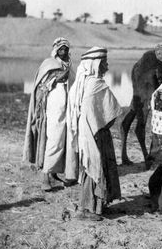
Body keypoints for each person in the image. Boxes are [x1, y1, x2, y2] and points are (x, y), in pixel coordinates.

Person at [67, 47, 122, 221]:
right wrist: (102, 125)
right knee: (94, 166)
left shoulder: (81, 84)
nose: (106, 66)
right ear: (95, 65)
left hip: (88, 132)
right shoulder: (97, 85)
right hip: (96, 133)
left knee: (90, 166)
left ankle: (95, 205)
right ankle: (89, 209)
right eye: (104, 62)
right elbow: (111, 112)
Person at [23, 37, 74, 191]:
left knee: (66, 138)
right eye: (61, 49)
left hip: (68, 103)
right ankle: (45, 175)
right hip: (54, 103)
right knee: (55, 137)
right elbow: (42, 87)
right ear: (55, 50)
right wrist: (57, 78)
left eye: (66, 49)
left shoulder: (69, 64)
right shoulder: (49, 64)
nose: (63, 51)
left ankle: (54, 172)